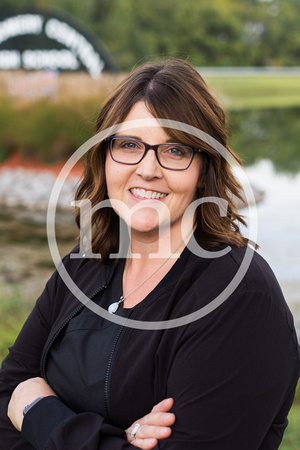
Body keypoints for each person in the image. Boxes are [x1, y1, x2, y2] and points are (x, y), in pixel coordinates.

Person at [1, 58, 299, 450]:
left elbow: (23, 404)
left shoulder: (238, 296)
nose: (147, 169)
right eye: (129, 145)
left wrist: (40, 414)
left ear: (204, 168)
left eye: (174, 150)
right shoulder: (86, 263)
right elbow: (8, 392)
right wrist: (118, 440)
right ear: (103, 156)